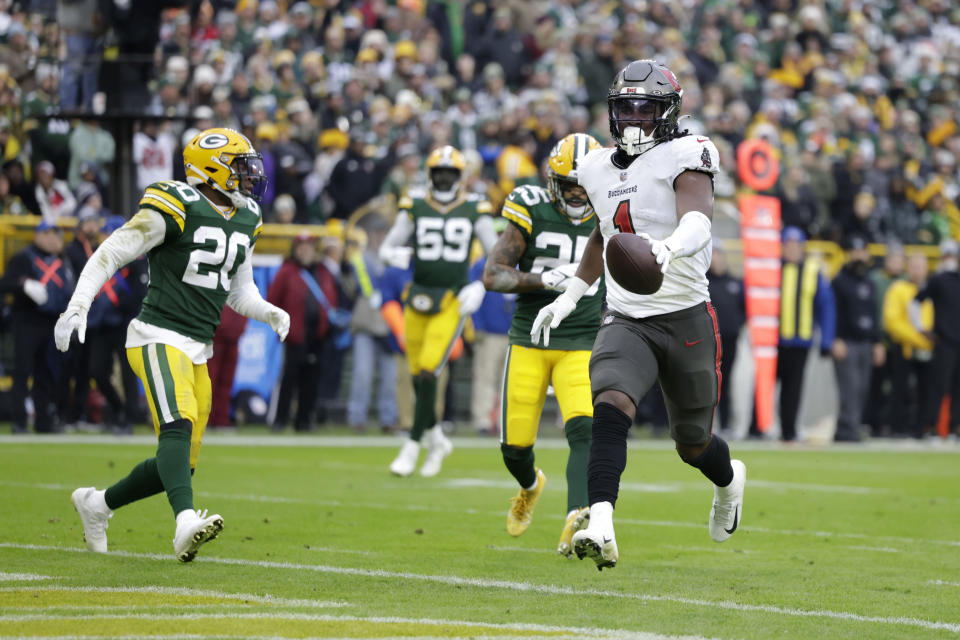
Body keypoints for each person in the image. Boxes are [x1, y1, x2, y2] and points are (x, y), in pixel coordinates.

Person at [529, 60, 745, 570]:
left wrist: (668, 250)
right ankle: (601, 521)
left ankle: (729, 481)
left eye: (645, 108)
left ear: (667, 114)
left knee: (692, 444)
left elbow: (697, 217)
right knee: (610, 406)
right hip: (628, 316)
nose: (633, 118)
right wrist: (572, 294)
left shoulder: (688, 154)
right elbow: (606, 233)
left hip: (687, 313)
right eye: (625, 107)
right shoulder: (597, 167)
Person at [55, 128, 290, 562]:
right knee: (178, 425)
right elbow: (113, 251)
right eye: (239, 166)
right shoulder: (175, 203)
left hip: (198, 347)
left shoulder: (247, 216)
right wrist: (79, 302)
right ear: (211, 169)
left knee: (178, 463)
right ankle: (184, 523)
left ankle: (97, 504)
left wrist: (268, 311)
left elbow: (239, 291)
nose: (249, 175)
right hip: (156, 335)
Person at [482, 132, 603, 556]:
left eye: (583, 186)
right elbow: (493, 274)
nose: (575, 194)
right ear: (553, 182)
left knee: (584, 427)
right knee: (514, 450)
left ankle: (577, 517)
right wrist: (541, 279)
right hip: (530, 337)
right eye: (568, 185)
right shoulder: (530, 206)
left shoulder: (613, 210)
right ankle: (531, 486)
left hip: (583, 339)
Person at [379, 145, 497, 477]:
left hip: (452, 300)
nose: (444, 178)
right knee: (419, 377)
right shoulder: (415, 204)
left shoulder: (475, 207)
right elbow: (388, 246)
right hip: (416, 297)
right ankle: (437, 439)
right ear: (430, 175)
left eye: (450, 173)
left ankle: (412, 445)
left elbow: (495, 254)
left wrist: (482, 285)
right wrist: (392, 256)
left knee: (430, 371)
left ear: (460, 177)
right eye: (439, 173)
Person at [749, 226, 836, 442]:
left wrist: (826, 340)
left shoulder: (812, 272)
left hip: (800, 341)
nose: (792, 250)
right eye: (788, 245)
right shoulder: (771, 270)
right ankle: (756, 428)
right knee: (764, 385)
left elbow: (826, 307)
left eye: (796, 246)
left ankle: (788, 431)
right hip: (772, 341)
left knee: (793, 390)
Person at [0, 221, 75, 433]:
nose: (54, 239)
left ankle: (44, 421)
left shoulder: (63, 260)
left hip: (52, 322)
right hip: (27, 321)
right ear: (38, 236)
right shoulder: (23, 258)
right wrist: (22, 285)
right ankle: (20, 421)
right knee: (22, 372)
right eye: (48, 234)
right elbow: (4, 282)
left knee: (47, 373)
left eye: (56, 234)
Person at [267, 233, 339, 432]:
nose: (305, 251)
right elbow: (272, 300)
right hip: (295, 335)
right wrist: (282, 327)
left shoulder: (322, 272)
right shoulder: (287, 271)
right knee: (289, 378)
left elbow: (332, 297)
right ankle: (280, 419)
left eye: (309, 248)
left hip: (317, 335)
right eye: (302, 248)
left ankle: (304, 420)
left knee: (311, 380)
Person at [84, 215, 148, 433]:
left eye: (106, 233)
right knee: (97, 370)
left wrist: (115, 308)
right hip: (102, 324)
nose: (102, 237)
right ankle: (117, 409)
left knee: (128, 373)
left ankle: (128, 419)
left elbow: (139, 294)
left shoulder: (136, 259)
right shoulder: (98, 259)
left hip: (125, 323)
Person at [830, 235, 884, 442]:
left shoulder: (869, 282)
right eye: (856, 251)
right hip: (847, 341)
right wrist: (835, 338)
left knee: (861, 389)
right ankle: (848, 432)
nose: (860, 255)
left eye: (863, 251)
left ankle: (850, 429)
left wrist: (877, 341)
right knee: (849, 389)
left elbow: (874, 312)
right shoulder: (839, 281)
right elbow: (833, 312)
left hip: (866, 342)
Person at [883, 253, 934, 438]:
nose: (917, 270)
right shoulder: (898, 288)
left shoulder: (931, 289)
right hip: (904, 347)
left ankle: (921, 428)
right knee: (900, 390)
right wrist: (919, 339)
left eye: (920, 266)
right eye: (913, 266)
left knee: (925, 391)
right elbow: (892, 321)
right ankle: (897, 427)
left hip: (929, 350)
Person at [916, 241, 960, 438]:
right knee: (938, 386)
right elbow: (916, 301)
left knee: (957, 387)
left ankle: (955, 427)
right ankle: (931, 427)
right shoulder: (937, 280)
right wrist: (921, 328)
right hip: (944, 341)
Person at [706, 242, 745, 434]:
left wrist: (738, 325)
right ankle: (707, 424)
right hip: (708, 341)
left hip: (730, 340)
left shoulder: (735, 282)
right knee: (707, 382)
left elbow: (744, 310)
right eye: (713, 255)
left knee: (727, 382)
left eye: (719, 254)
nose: (717, 259)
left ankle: (727, 424)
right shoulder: (703, 283)